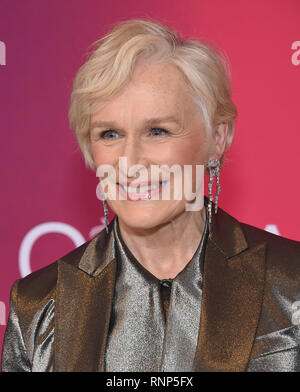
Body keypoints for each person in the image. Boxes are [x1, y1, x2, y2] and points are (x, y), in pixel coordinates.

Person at [2, 18, 300, 372]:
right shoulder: (39, 304)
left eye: (158, 131)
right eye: (109, 134)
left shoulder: (291, 284)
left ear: (217, 137)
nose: (130, 162)